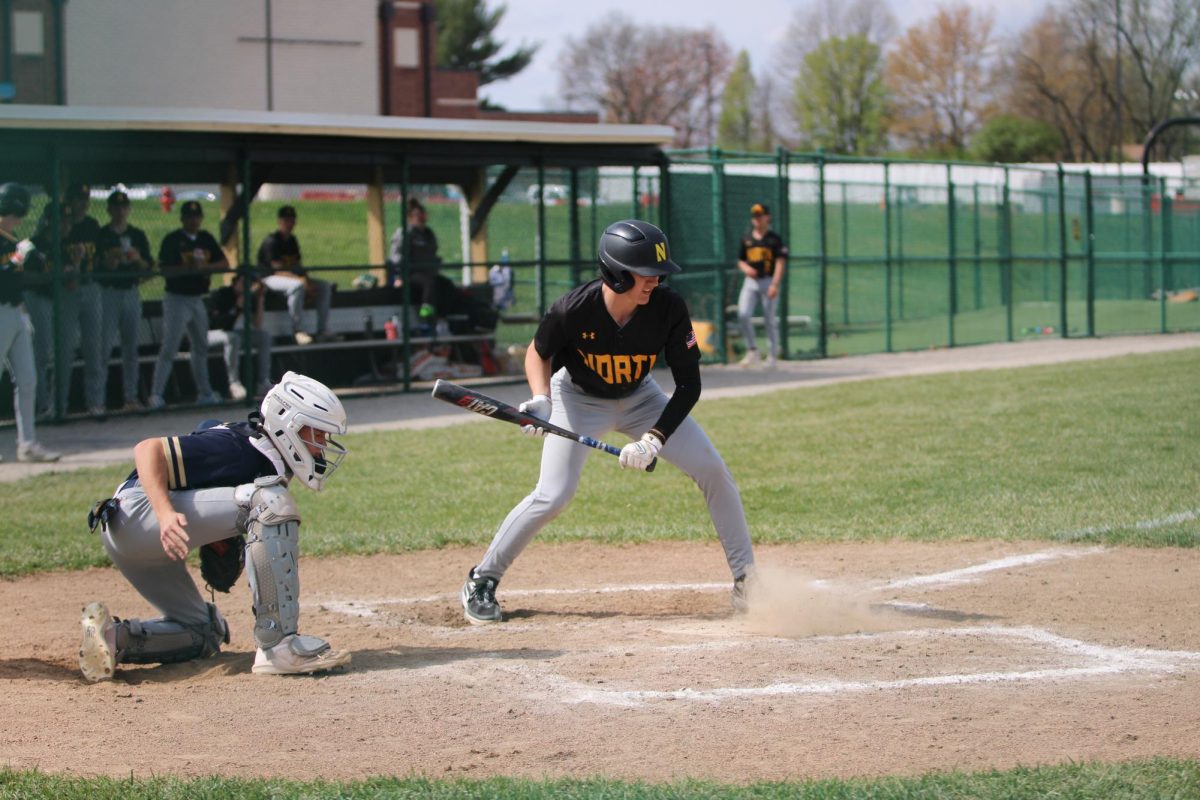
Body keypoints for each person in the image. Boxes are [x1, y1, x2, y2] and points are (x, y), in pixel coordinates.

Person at [460, 219, 757, 624]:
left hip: (641, 398)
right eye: (646, 273)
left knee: (713, 470)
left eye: (658, 273)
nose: (655, 281)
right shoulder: (573, 309)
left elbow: (689, 385)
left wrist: (654, 439)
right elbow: (538, 352)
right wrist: (541, 400)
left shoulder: (668, 308)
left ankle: (746, 580)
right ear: (617, 274)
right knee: (554, 493)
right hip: (577, 397)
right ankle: (482, 578)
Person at [78, 371, 352, 681]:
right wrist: (165, 514)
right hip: (139, 515)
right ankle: (279, 646)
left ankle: (111, 639)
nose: (322, 447)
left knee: (204, 632)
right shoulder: (243, 446)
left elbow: (203, 435)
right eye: (316, 435)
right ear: (288, 423)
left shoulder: (258, 451)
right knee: (269, 502)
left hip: (130, 535)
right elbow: (147, 450)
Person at [0, 183, 60, 462]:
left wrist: (23, 312)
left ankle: (27, 444)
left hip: (15, 312)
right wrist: (14, 260)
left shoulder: (12, 237)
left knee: (27, 379)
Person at [148, 200, 227, 410]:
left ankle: (205, 392)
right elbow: (163, 269)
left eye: (197, 216)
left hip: (197, 298)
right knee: (170, 346)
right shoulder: (173, 240)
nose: (193, 220)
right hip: (177, 298)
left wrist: (205, 266)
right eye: (189, 217)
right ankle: (156, 395)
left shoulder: (205, 238)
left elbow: (224, 263)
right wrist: (186, 267)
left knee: (201, 346)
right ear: (182, 218)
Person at [96, 189, 154, 412]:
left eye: (124, 207)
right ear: (109, 209)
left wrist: (137, 260)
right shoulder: (102, 235)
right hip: (108, 293)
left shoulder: (137, 235)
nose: (120, 211)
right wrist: (111, 262)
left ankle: (131, 398)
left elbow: (149, 269)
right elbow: (96, 268)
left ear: (128, 209)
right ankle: (98, 401)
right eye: (116, 207)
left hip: (131, 291)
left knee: (131, 349)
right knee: (104, 348)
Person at [24, 205, 81, 418]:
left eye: (68, 222)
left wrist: (74, 266)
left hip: (59, 302)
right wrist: (55, 274)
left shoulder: (65, 246)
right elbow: (26, 279)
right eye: (62, 222)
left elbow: (72, 285)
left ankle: (59, 407)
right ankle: (42, 405)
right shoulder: (33, 245)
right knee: (41, 354)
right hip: (36, 300)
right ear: (49, 222)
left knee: (64, 353)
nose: (66, 226)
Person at [255, 205, 332, 345]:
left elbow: (298, 265)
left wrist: (308, 281)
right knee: (297, 286)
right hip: (269, 279)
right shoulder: (272, 241)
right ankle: (297, 330)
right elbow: (277, 270)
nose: (289, 223)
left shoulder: (292, 240)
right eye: (286, 220)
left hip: (290, 278)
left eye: (291, 220)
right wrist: (301, 281)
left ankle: (322, 330)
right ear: (279, 221)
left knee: (324, 286)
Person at [63, 183, 108, 418]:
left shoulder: (92, 226)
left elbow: (100, 259)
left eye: (85, 198)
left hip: (91, 287)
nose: (82, 203)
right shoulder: (61, 225)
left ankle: (96, 403)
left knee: (94, 349)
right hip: (68, 292)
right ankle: (58, 406)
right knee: (65, 349)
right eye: (78, 198)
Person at [735, 202, 788, 367]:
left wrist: (775, 284)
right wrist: (746, 269)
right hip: (751, 282)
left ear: (768, 217)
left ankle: (772, 355)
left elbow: (780, 263)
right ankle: (752, 351)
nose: (757, 218)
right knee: (743, 314)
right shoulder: (747, 238)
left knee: (769, 319)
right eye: (755, 216)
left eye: (760, 215)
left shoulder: (774, 239)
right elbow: (740, 260)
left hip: (768, 281)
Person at [207, 274, 273, 400]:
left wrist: (260, 299)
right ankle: (234, 383)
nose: (246, 287)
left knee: (264, 336)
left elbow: (257, 324)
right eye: (243, 283)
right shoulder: (222, 294)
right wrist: (238, 306)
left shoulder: (250, 297)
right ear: (235, 282)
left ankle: (263, 382)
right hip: (212, 334)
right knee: (233, 338)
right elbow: (221, 325)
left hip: (236, 335)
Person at [387, 197, 440, 300]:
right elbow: (396, 257)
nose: (421, 217)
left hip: (427, 273)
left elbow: (433, 254)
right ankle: (426, 311)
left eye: (422, 214)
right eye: (417, 215)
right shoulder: (405, 233)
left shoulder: (429, 234)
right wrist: (399, 277)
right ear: (410, 217)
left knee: (445, 284)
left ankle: (442, 313)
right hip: (410, 275)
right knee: (428, 283)